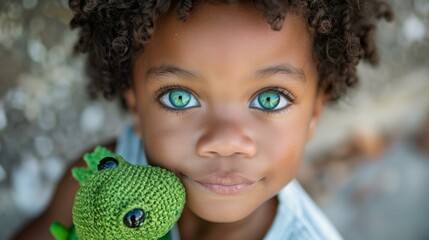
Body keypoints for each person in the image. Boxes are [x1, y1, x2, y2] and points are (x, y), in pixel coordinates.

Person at [13, 0, 393, 239]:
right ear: (135, 104)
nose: (225, 140)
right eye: (180, 97)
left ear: (314, 113)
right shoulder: (99, 182)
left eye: (269, 98)